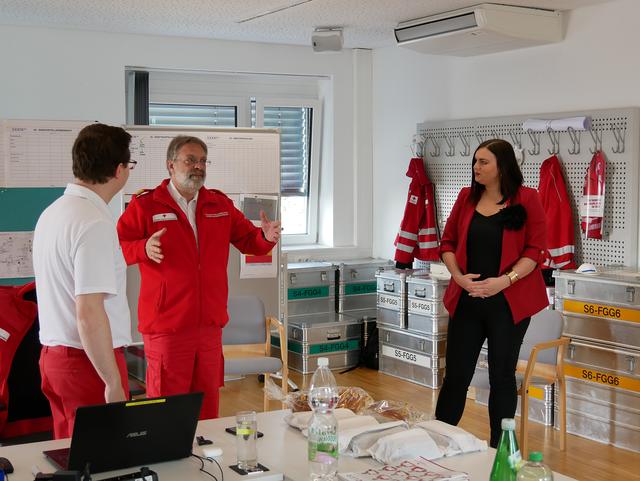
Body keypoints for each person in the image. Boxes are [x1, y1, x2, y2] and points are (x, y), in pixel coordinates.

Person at [117, 135, 281, 419]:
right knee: (167, 407)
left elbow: (249, 241)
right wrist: (142, 248)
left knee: (206, 405)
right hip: (167, 325)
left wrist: (265, 238)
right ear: (171, 165)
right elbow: (117, 247)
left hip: (209, 325)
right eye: (190, 160)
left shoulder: (218, 204)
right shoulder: (146, 205)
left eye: (203, 160)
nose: (198, 166)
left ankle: (204, 457)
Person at [434, 139, 548, 448]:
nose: (476, 168)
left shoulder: (527, 198)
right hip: (469, 299)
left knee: (501, 375)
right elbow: (447, 243)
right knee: (456, 375)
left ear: (502, 166)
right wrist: (458, 277)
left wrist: (505, 280)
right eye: (475, 162)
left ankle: (501, 449)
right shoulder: (466, 198)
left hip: (507, 303)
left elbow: (535, 250)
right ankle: (439, 441)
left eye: (484, 162)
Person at [32, 124, 133, 439]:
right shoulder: (93, 223)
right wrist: (113, 382)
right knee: (103, 457)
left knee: (71, 459)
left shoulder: (53, 213)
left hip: (54, 357)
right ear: (119, 170)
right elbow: (89, 313)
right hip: (88, 362)